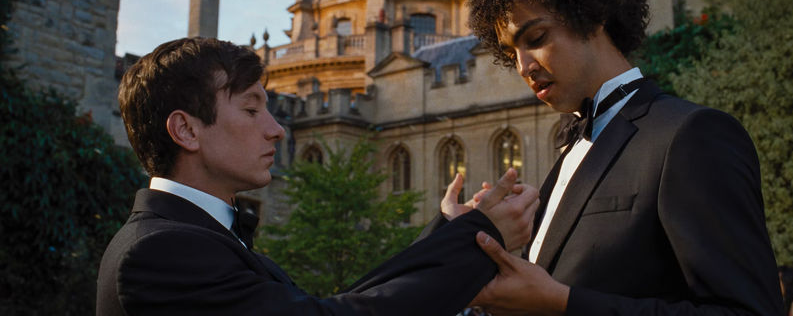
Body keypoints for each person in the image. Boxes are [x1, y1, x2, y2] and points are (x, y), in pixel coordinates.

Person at [432, 0, 784, 316]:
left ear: (593, 15)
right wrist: (472, 239)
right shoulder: (572, 150)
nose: (523, 67)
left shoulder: (690, 134)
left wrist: (563, 304)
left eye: (536, 38)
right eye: (511, 52)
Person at [96, 37, 539, 315]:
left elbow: (336, 304)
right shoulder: (159, 252)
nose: (276, 128)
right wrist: (479, 242)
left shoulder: (190, 237)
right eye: (251, 110)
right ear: (186, 130)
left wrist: (454, 233)